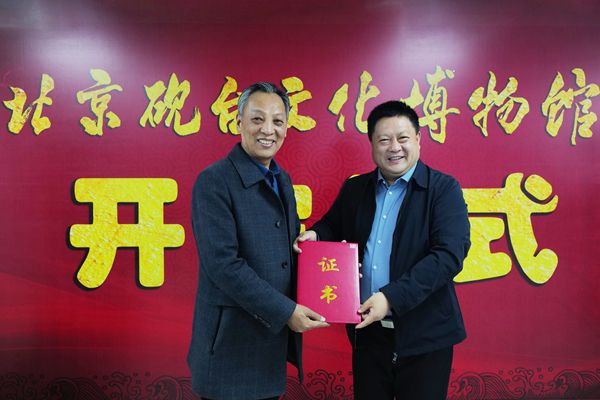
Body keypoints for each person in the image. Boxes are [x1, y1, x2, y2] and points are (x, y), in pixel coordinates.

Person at [294, 100, 471, 399]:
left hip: (426, 334)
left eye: (403, 138)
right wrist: (316, 234)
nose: (394, 148)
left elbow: (448, 256)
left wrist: (390, 298)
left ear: (418, 139)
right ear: (372, 144)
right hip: (368, 333)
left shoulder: (443, 189)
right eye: (384, 140)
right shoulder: (356, 189)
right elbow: (332, 225)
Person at [188, 82, 329, 400]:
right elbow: (223, 266)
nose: (268, 130)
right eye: (257, 119)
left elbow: (285, 252)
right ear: (238, 122)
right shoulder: (214, 181)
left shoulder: (282, 179)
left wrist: (322, 266)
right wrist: (286, 311)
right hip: (230, 346)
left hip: (270, 344)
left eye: (278, 121)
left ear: (287, 127)